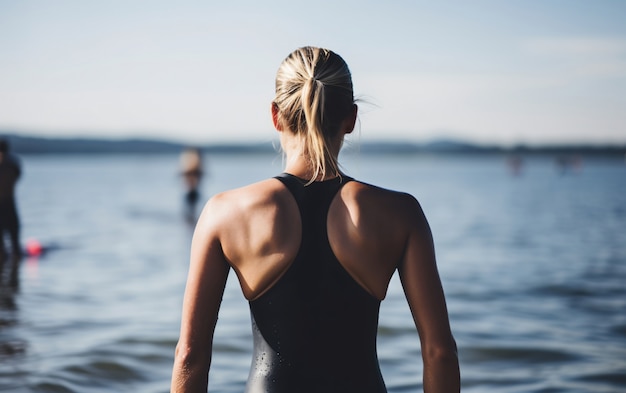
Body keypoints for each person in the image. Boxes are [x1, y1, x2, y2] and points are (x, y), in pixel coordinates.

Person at [171, 47, 459, 393]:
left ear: (275, 116)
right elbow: (439, 352)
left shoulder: (224, 213)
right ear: (350, 119)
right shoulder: (401, 213)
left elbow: (191, 355)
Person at [0, 139, 22, 259]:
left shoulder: (10, 165)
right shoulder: (13, 164)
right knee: (14, 245)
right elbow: (19, 173)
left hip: (7, 205)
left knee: (7, 247)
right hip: (10, 205)